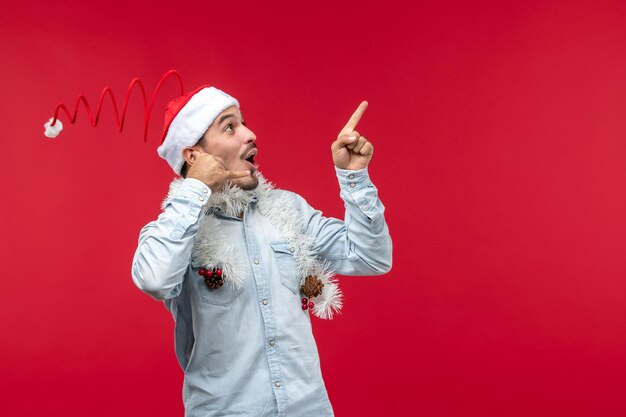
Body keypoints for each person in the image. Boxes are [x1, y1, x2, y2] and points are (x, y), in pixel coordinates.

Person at [131, 85, 393, 417]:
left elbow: (370, 257)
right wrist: (196, 188)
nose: (250, 134)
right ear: (195, 156)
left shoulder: (289, 210)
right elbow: (154, 279)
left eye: (244, 122)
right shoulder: (175, 229)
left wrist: (353, 177)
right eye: (229, 127)